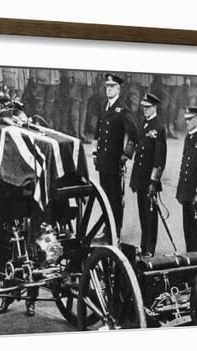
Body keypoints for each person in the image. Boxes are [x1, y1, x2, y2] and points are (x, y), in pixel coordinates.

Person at [93, 73, 138, 238]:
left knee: (115, 198)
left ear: (118, 88)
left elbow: (134, 134)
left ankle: (115, 230)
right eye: (107, 86)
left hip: (114, 161)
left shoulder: (123, 109)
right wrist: (95, 152)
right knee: (104, 197)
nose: (109, 89)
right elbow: (98, 131)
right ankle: (107, 228)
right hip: (103, 161)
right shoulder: (103, 104)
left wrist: (126, 155)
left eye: (112, 86)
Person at [129, 93, 167, 256]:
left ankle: (150, 250)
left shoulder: (158, 128)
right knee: (143, 215)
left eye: (148, 107)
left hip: (149, 180)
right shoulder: (143, 123)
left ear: (154, 107)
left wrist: (153, 181)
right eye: (144, 107)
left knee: (150, 217)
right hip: (140, 178)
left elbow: (159, 160)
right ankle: (144, 247)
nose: (145, 110)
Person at [176, 106, 197, 252]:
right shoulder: (188, 138)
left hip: (194, 194)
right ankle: (190, 258)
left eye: (190, 119)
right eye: (186, 119)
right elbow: (184, 167)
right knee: (186, 228)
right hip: (186, 192)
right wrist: (179, 191)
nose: (187, 122)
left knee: (195, 231)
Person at [66, 70, 94, 143]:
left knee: (84, 109)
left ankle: (81, 133)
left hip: (88, 80)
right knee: (76, 106)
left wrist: (93, 78)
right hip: (76, 80)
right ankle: (76, 133)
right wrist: (70, 76)